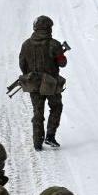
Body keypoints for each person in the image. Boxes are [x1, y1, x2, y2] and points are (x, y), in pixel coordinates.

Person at [18, 15, 68, 151]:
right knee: (56, 107)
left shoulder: (26, 44)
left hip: (33, 83)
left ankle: (37, 142)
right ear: (49, 28)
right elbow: (62, 63)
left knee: (37, 112)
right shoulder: (54, 44)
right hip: (51, 84)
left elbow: (22, 64)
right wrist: (60, 56)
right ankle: (50, 136)